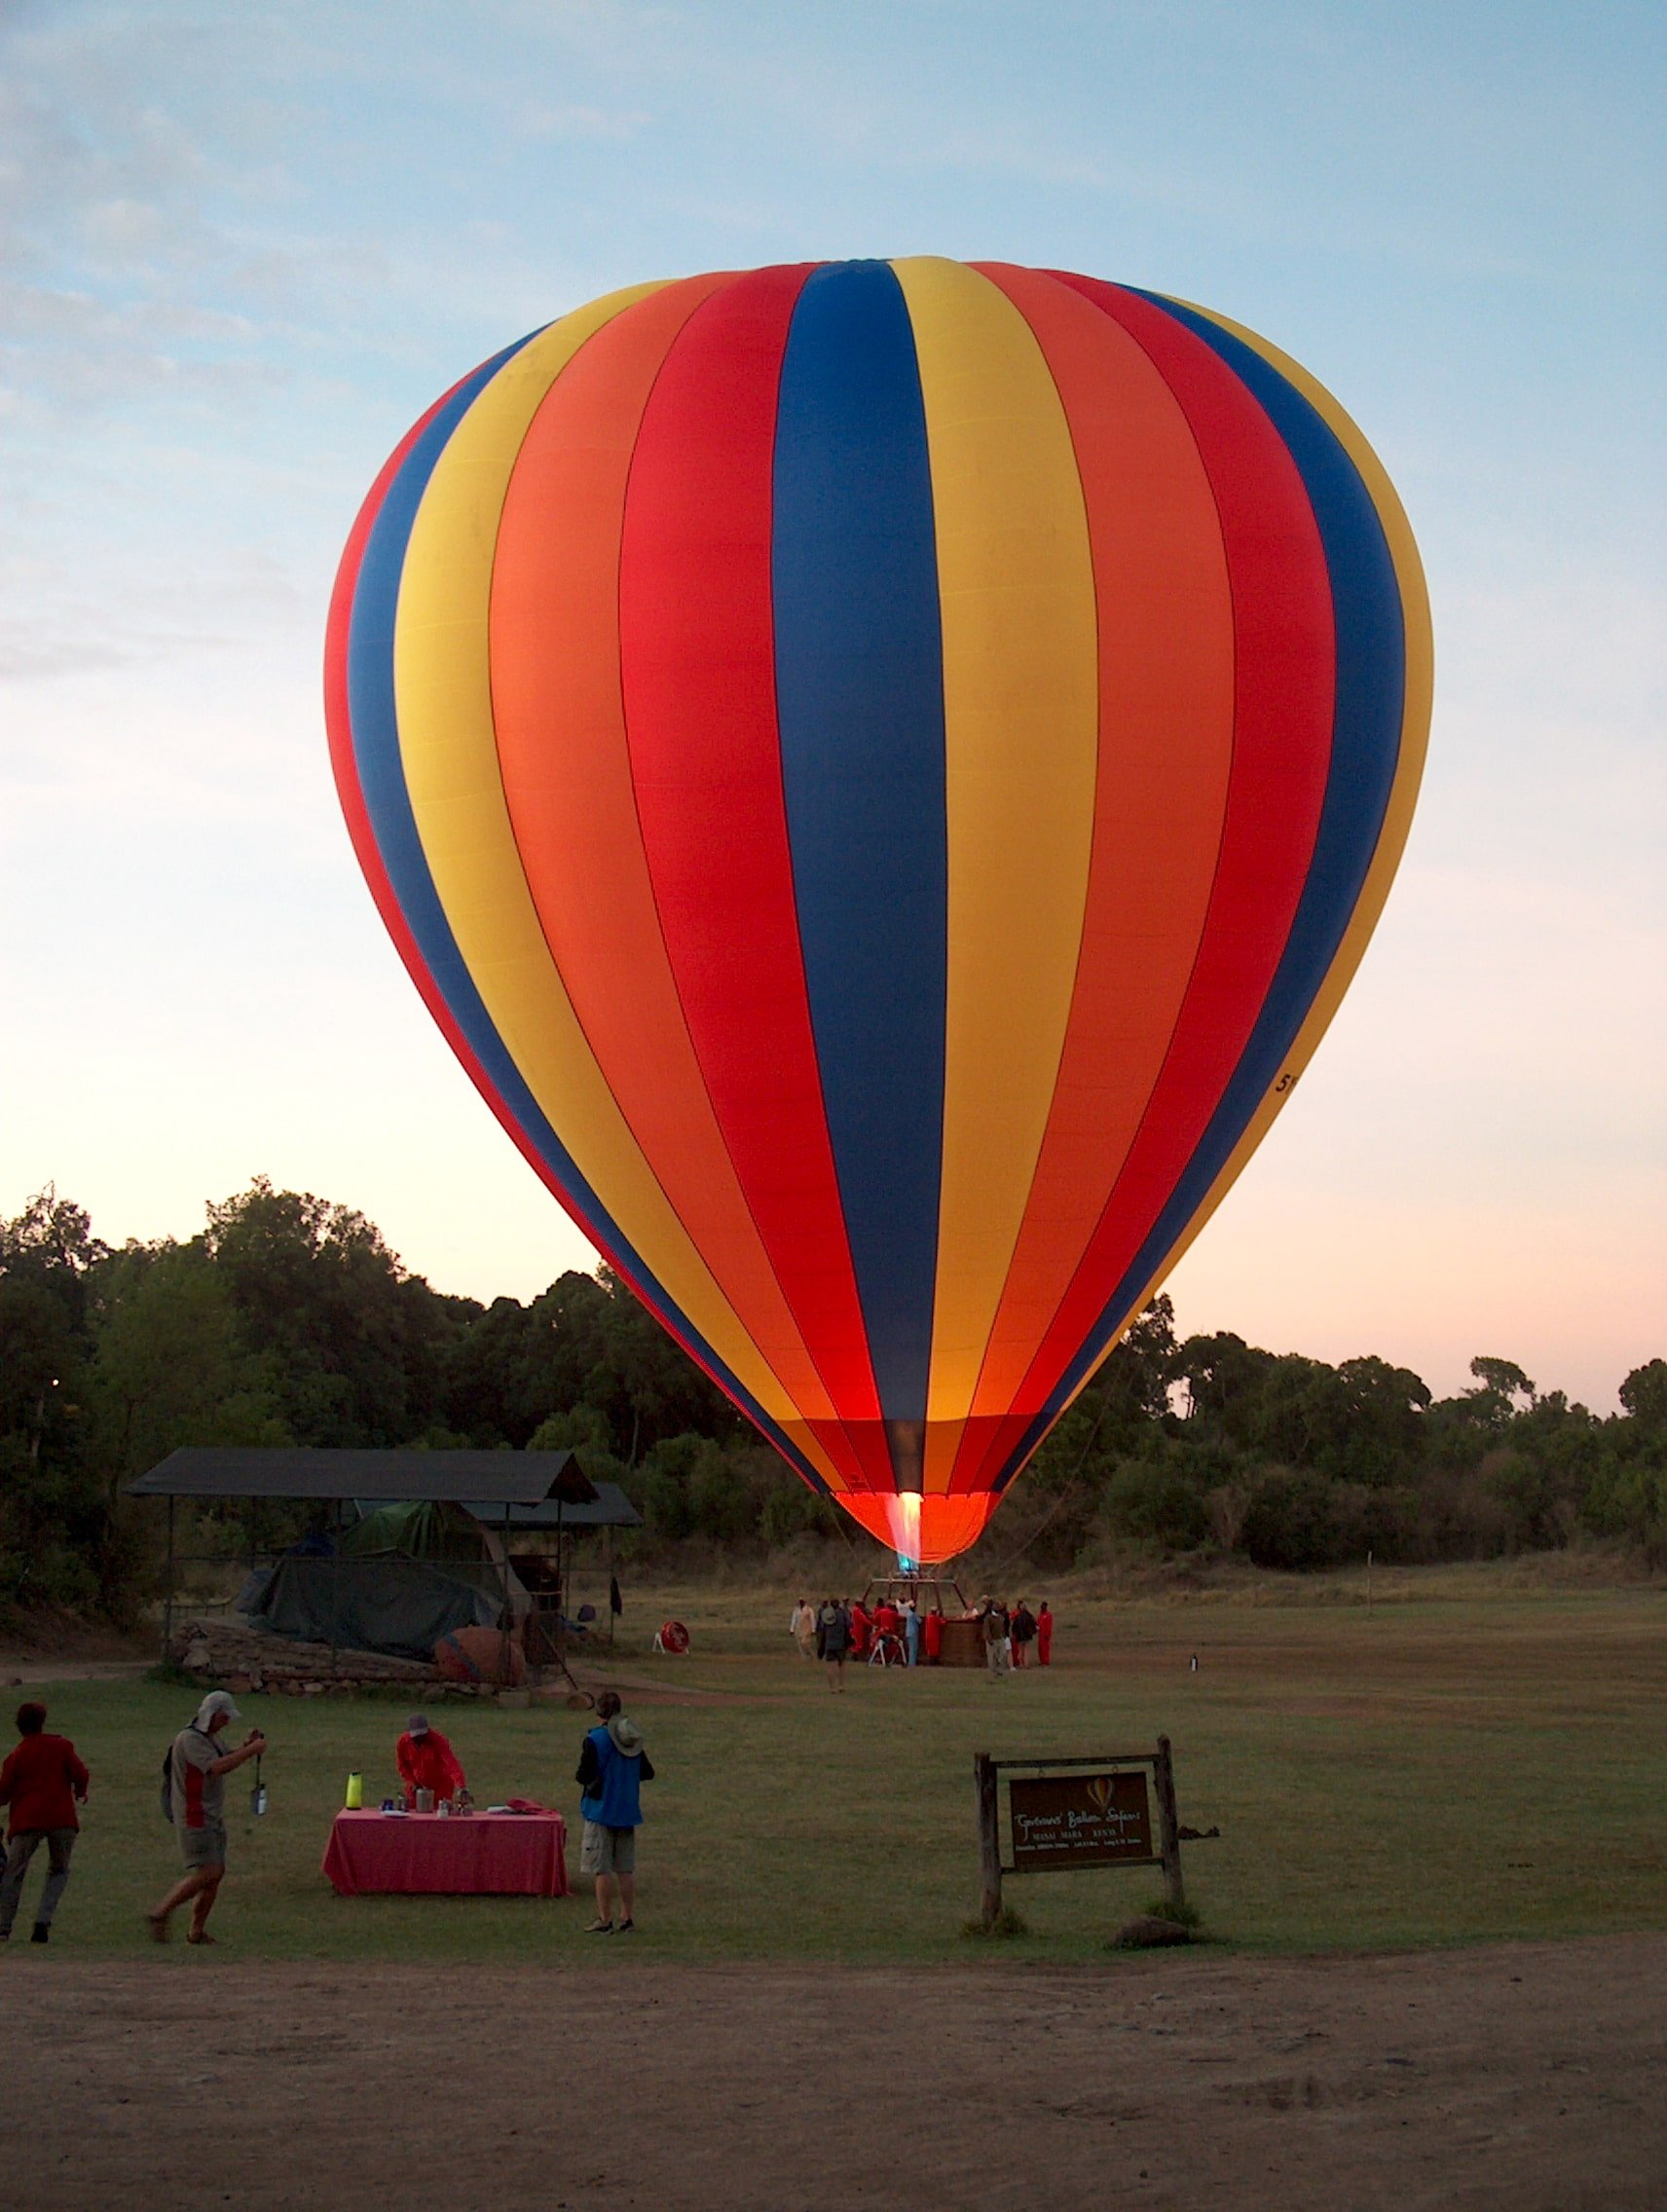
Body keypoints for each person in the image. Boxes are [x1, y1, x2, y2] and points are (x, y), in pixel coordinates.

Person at [148, 1690, 266, 1945]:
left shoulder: (210, 1738)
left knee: (215, 1874)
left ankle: (196, 1931)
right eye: (224, 1717)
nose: (227, 1722)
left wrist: (247, 1747)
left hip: (210, 1814)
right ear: (211, 1715)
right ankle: (162, 1912)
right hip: (194, 1815)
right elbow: (216, 1767)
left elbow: (224, 1759)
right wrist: (250, 1751)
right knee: (209, 1871)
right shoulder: (190, 1740)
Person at [0, 1701, 89, 1944]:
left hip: (27, 1821)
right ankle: (43, 1919)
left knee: (14, 1873)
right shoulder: (61, 1746)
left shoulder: (17, 1755)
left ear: (19, 1726)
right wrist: (81, 1791)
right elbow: (80, 1773)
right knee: (59, 1870)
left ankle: (3, 1927)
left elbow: (3, 1793)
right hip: (62, 1819)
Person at [575, 1689, 651, 1933]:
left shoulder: (595, 1739)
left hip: (600, 1810)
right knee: (625, 1869)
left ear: (599, 1712)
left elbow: (582, 1775)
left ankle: (604, 1919)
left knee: (602, 1868)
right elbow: (647, 1771)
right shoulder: (631, 1737)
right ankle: (627, 1918)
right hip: (627, 1811)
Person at [396, 1714, 465, 1808]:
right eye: (416, 1737)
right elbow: (403, 1766)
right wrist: (412, 1783)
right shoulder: (403, 1742)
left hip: (440, 1789)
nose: (419, 1739)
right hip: (416, 1789)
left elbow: (451, 1764)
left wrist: (461, 1785)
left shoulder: (438, 1741)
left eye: (422, 1735)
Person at [819, 1596, 850, 1691]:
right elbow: (848, 1624)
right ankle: (841, 1685)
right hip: (840, 1643)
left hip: (829, 1643)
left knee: (830, 1666)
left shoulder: (826, 1614)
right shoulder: (842, 1614)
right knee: (841, 1664)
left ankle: (832, 1687)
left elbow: (822, 1627)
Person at [982, 1598, 1010, 1677]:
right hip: (992, 1640)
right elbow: (987, 1629)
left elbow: (1003, 1628)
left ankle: (999, 1670)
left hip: (1000, 1639)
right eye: (995, 1606)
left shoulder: (1001, 1617)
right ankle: (993, 1672)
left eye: (998, 1606)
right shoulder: (988, 1618)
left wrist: (1004, 1636)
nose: (997, 1607)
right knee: (992, 1657)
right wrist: (989, 1639)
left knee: (1002, 1655)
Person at [1011, 1601, 1037, 1669]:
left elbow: (1014, 1626)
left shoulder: (1017, 1616)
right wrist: (1033, 1632)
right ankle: (1026, 1664)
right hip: (1027, 1635)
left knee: (1020, 1650)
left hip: (1019, 1636)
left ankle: (1021, 1663)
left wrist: (1014, 1634)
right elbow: (1033, 1624)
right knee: (1026, 1650)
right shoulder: (1029, 1616)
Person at [903, 1596, 922, 1668]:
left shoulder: (908, 1614)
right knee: (913, 1649)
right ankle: (912, 1663)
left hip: (908, 1632)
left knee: (910, 1648)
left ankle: (911, 1662)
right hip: (913, 1633)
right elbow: (919, 1621)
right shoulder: (913, 1614)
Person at [1036, 1600, 1054, 1667]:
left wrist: (1047, 1634)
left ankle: (1046, 1661)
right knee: (1040, 1649)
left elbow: (1049, 1625)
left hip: (1045, 1635)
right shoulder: (1040, 1615)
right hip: (1040, 1634)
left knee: (1045, 1649)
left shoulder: (1048, 1615)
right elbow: (1037, 1623)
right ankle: (1041, 1661)